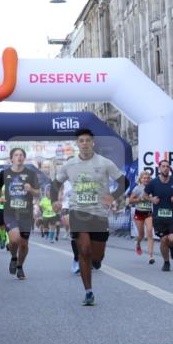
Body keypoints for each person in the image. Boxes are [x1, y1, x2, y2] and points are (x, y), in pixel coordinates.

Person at [51, 128, 127, 306]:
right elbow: (55, 184)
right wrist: (55, 200)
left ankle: (96, 262)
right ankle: (88, 291)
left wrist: (113, 196)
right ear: (77, 144)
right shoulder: (70, 165)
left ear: (93, 142)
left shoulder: (104, 162)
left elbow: (125, 182)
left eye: (87, 140)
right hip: (78, 212)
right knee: (84, 250)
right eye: (81, 141)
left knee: (96, 257)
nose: (84, 144)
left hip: (99, 214)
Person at [0, 147, 39, 280]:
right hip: (10, 212)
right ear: (11, 159)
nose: (19, 157)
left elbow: (38, 193)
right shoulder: (4, 173)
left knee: (24, 244)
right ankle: (14, 257)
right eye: (16, 155)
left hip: (26, 213)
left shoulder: (31, 174)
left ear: (24, 158)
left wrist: (31, 189)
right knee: (14, 240)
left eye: (21, 155)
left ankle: (20, 266)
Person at [144, 159, 173, 272]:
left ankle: (172, 247)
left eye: (167, 166)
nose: (165, 168)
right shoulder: (153, 183)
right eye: (163, 166)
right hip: (159, 218)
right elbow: (145, 195)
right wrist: (151, 199)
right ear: (159, 168)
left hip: (172, 217)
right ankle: (166, 262)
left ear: (169, 168)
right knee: (163, 240)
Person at [129, 170, 156, 264]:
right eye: (144, 178)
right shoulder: (137, 188)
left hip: (149, 213)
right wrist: (140, 199)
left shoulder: (152, 188)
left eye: (148, 178)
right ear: (141, 179)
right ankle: (138, 243)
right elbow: (130, 200)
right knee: (141, 235)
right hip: (139, 212)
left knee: (149, 232)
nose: (146, 179)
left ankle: (151, 256)